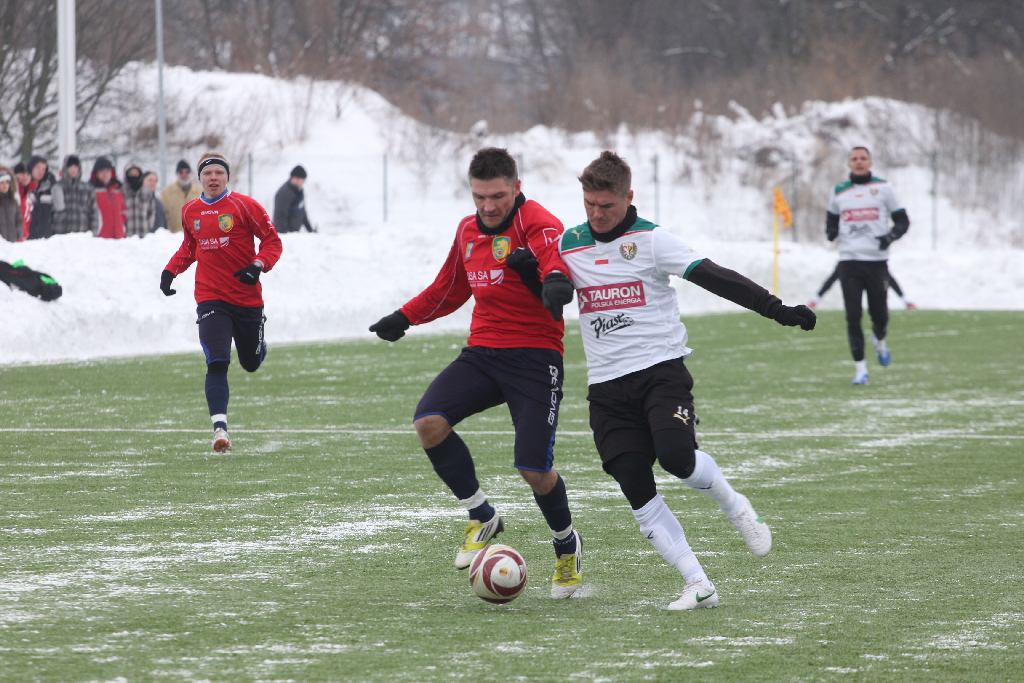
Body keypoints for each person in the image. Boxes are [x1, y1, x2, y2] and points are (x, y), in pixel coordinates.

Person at [532, 151, 815, 611]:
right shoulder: (570, 244)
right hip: (606, 387)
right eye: (589, 204)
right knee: (631, 480)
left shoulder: (652, 240)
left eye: (606, 205)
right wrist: (548, 286)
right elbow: (544, 278)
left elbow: (714, 277)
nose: (597, 214)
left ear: (629, 196)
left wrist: (776, 309)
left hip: (660, 372)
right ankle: (697, 582)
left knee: (677, 457)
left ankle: (734, 504)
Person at [368, 147, 583, 599]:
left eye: (498, 196)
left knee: (534, 469)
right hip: (484, 353)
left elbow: (557, 278)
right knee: (429, 423)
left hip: (536, 358)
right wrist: (403, 317)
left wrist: (546, 280)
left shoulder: (540, 224)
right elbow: (449, 288)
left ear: (516, 188)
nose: (488, 206)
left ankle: (566, 545)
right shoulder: (467, 230)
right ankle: (482, 514)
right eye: (480, 196)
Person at [160, 152, 283, 453]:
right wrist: (169, 271)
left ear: (227, 177)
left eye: (218, 173)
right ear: (200, 178)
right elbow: (190, 247)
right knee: (216, 361)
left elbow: (272, 241)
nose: (213, 178)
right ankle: (219, 429)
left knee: (251, 363)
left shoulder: (245, 206)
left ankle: (258, 340)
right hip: (210, 296)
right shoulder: (190, 211)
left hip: (246, 299)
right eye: (208, 173)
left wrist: (257, 265)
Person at [825, 146, 910, 384]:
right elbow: (831, 217)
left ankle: (880, 339)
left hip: (876, 263)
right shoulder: (839, 191)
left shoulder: (884, 188)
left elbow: (903, 221)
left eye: (863, 158)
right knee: (853, 316)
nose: (859, 162)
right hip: (849, 262)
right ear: (848, 164)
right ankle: (860, 369)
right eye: (854, 159)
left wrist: (890, 237)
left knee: (879, 315)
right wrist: (831, 231)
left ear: (870, 162)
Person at [809, 263, 915, 310]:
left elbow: (889, 278)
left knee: (885, 276)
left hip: (870, 261)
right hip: (850, 260)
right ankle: (816, 299)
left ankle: (905, 300)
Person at [53, 155, 95, 235]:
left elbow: (93, 212)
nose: (73, 169)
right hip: (61, 235)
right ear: (65, 168)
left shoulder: (87, 188)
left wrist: (93, 233)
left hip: (82, 235)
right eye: (70, 166)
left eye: (76, 166)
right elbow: (51, 213)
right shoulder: (57, 187)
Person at [89, 157, 127, 239]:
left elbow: (124, 211)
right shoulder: (91, 190)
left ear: (112, 172)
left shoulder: (118, 189)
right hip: (100, 238)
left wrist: (123, 227)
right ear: (96, 173)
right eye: (101, 171)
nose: (105, 174)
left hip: (119, 237)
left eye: (107, 171)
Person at [160, 159, 201, 233]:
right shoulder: (166, 193)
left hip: (196, 237)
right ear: (177, 174)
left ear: (190, 173)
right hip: (173, 237)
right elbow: (162, 217)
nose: (184, 175)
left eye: (187, 172)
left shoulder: (200, 192)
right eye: (181, 172)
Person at [272, 165, 315, 233]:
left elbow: (302, 212)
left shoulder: (299, 191)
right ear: (295, 178)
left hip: (293, 234)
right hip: (285, 235)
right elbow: (280, 216)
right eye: (302, 180)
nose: (303, 182)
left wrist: (310, 230)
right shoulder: (284, 193)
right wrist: (285, 235)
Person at [27, 155, 60, 240]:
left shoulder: (50, 188)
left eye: (43, 169)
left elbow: (59, 209)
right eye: (38, 167)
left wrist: (55, 186)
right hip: (26, 239)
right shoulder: (23, 187)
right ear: (31, 168)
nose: (41, 171)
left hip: (46, 239)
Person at [123, 164, 154, 238]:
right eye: (131, 174)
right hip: (127, 237)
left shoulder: (147, 192)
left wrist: (148, 229)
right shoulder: (122, 192)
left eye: (136, 174)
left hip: (143, 236)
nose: (134, 176)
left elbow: (151, 213)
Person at [0, 167, 23, 242]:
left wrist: (19, 232)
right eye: (2, 182)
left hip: (13, 243)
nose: (5, 185)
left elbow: (19, 219)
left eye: (7, 182)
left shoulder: (14, 201)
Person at [14, 162, 32, 240]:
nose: (25, 176)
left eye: (28, 174)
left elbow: (26, 218)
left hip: (23, 237)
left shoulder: (27, 193)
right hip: (11, 238)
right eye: (22, 173)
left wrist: (25, 233)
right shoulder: (12, 192)